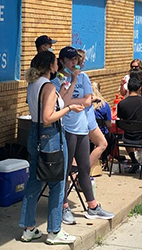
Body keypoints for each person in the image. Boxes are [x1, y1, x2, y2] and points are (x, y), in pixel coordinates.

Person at [19, 51, 84, 245]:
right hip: (51, 136)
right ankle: (55, 230)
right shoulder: (47, 86)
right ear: (50, 66)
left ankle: (28, 227)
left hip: (35, 134)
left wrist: (70, 84)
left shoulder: (34, 84)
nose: (58, 65)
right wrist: (69, 109)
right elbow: (48, 117)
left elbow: (51, 106)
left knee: (34, 182)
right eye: (56, 62)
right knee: (57, 182)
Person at [51, 47, 114, 224]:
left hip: (82, 128)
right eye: (70, 60)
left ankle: (92, 206)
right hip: (66, 128)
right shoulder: (58, 80)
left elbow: (88, 100)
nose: (74, 63)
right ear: (62, 61)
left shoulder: (84, 77)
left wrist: (72, 99)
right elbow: (61, 102)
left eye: (76, 60)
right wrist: (72, 88)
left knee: (85, 168)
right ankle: (63, 206)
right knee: (65, 170)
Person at [75, 49, 109, 171]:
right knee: (102, 144)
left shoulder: (66, 77)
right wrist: (94, 98)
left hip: (74, 118)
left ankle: (74, 175)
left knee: (74, 152)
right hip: (87, 118)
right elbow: (88, 99)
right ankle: (83, 173)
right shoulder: (83, 77)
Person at [117, 75, 142, 172]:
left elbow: (121, 119)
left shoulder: (121, 104)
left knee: (125, 135)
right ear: (140, 88)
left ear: (128, 88)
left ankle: (134, 160)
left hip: (128, 138)